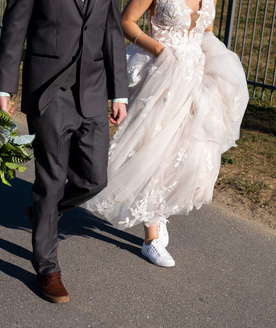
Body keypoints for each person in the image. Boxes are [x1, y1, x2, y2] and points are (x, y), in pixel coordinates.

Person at [85, 0, 249, 267]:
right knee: (153, 149)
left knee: (186, 151)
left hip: (195, 76)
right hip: (161, 75)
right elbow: (125, 21)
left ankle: (158, 213)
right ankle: (151, 238)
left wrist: (218, 67)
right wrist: (160, 50)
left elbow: (205, 32)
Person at [0, 0, 129, 303]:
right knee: (51, 180)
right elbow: (15, 29)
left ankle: (45, 213)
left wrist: (119, 92)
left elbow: (112, 34)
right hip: (48, 92)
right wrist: (4, 89)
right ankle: (46, 266)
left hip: (93, 91)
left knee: (95, 179)